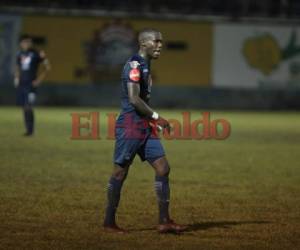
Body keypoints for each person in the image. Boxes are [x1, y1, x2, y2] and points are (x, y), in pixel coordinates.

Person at [103, 28, 187, 234]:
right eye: (156, 41)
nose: (160, 45)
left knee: (163, 168)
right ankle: (108, 221)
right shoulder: (134, 64)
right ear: (143, 44)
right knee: (120, 172)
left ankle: (164, 221)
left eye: (161, 41)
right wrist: (158, 118)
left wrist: (151, 120)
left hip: (144, 126)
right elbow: (133, 99)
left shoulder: (145, 65)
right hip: (131, 125)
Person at [14, 34, 51, 136]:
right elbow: (17, 67)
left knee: (28, 106)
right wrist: (16, 78)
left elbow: (47, 67)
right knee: (24, 107)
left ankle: (31, 130)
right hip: (22, 84)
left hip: (31, 84)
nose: (27, 44)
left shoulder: (36, 53)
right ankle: (28, 130)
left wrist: (39, 80)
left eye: (28, 42)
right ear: (21, 43)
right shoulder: (19, 54)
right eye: (25, 42)